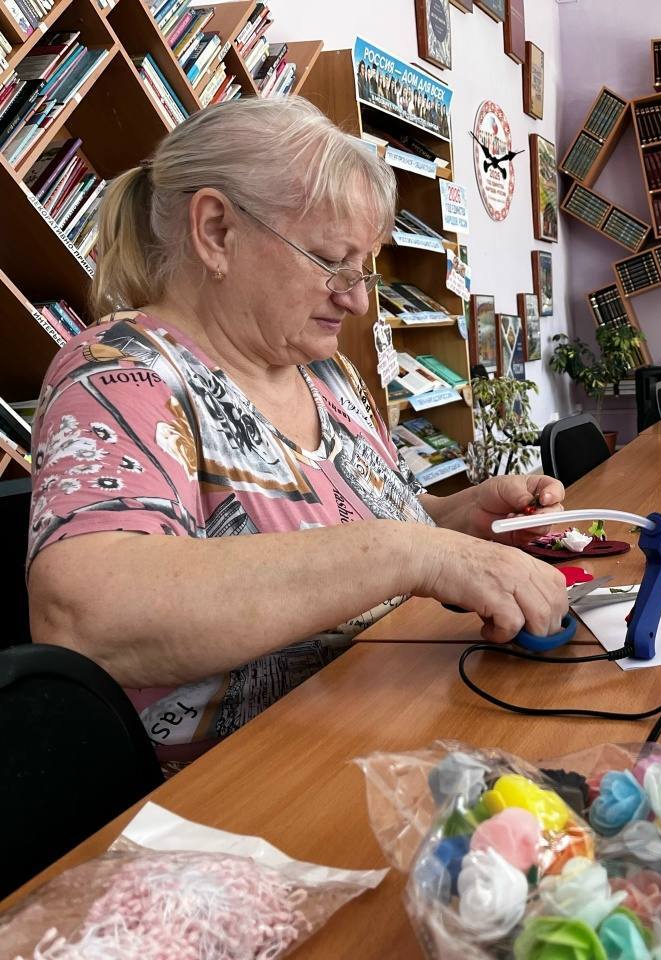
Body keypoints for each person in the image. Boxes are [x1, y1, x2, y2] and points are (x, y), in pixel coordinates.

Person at [25, 97, 568, 773]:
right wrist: (411, 552)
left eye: (363, 267)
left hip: (397, 731)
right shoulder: (119, 372)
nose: (357, 299)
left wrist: (457, 522)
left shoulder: (327, 373)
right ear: (217, 231)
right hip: (257, 788)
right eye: (332, 260)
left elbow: (356, 521)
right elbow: (86, 615)